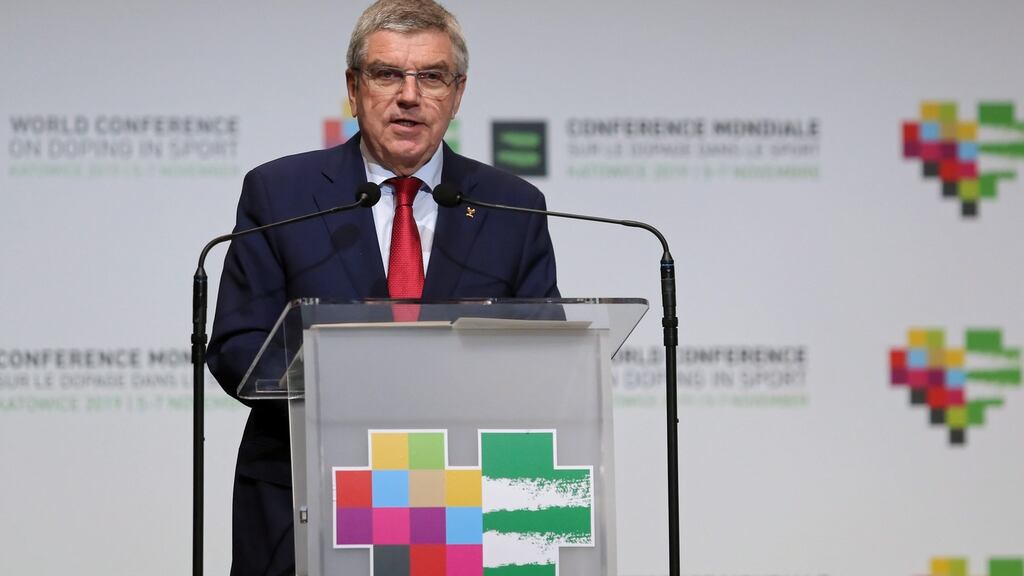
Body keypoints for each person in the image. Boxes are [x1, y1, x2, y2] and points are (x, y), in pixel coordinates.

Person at [207, 1, 558, 574]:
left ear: (458, 93)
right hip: (311, 499)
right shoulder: (280, 193)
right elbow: (237, 347)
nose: (409, 96)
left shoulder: (512, 206)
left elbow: (549, 358)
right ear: (353, 88)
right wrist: (347, 366)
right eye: (388, 74)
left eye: (432, 76)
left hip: (465, 500)